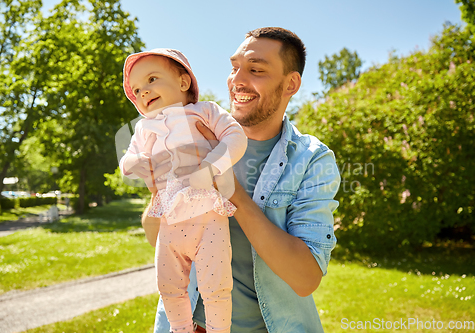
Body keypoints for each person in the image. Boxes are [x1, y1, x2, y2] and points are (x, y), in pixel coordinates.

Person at [142, 28, 341, 333]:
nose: (237, 80)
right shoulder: (192, 135)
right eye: (234, 67)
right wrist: (159, 196)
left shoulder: (311, 160)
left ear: (291, 84)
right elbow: (158, 238)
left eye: (255, 69)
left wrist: (233, 193)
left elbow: (306, 279)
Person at [119, 48, 248, 333]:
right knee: (168, 285)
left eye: (152, 79)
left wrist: (212, 167)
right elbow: (125, 163)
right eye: (137, 90)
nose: (143, 92)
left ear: (183, 82)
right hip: (169, 220)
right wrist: (138, 162)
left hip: (208, 215)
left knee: (217, 286)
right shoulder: (143, 129)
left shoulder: (205, 111)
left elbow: (235, 137)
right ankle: (179, 329)